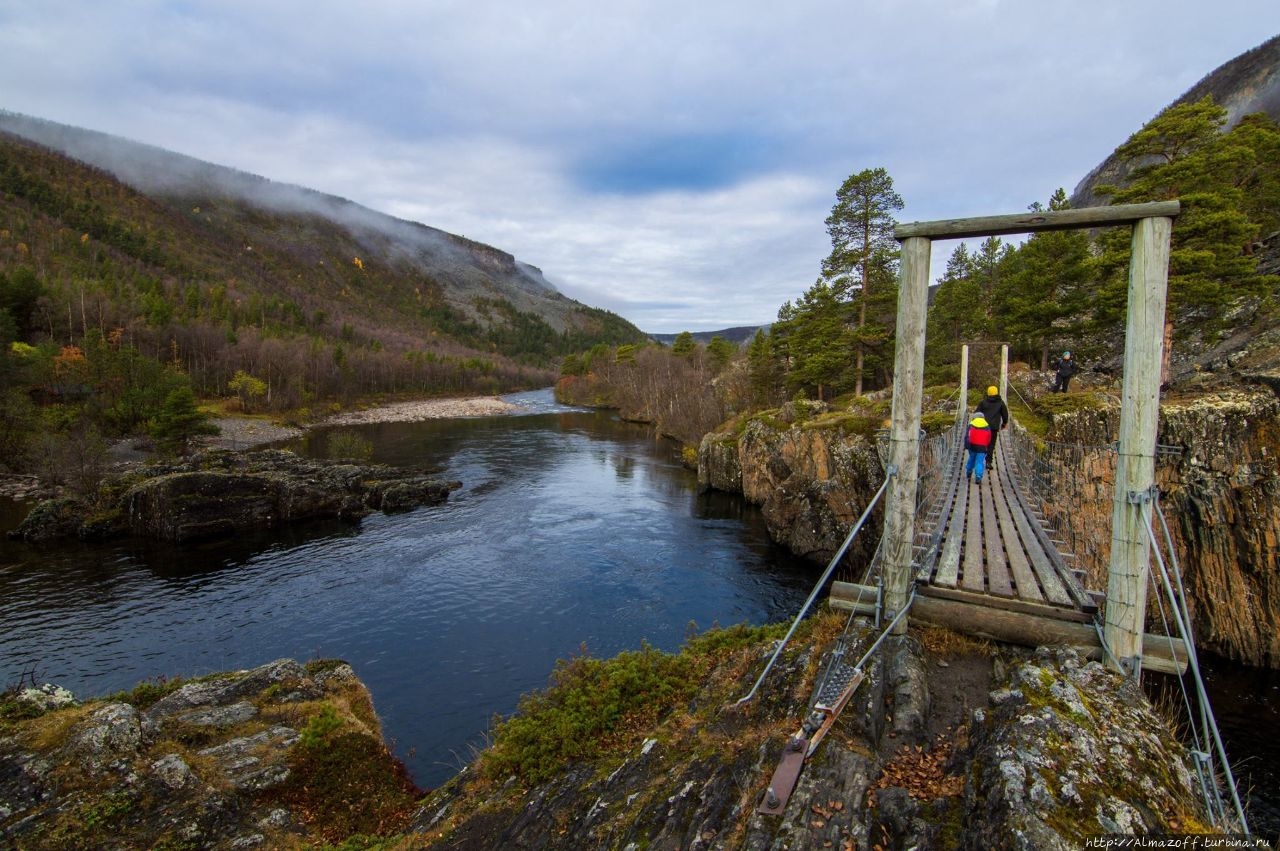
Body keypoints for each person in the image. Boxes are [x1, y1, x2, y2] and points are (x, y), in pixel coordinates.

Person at [975, 385, 1009, 466]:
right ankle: (988, 462)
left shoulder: (983, 402)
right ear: (997, 392)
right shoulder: (1000, 403)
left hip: (983, 427)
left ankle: (979, 461)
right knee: (991, 444)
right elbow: (1005, 414)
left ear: (988, 393)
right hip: (994, 428)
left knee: (982, 443)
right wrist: (1004, 424)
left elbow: (976, 413)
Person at [965, 414, 993, 485]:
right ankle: (978, 476)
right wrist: (987, 447)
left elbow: (967, 436)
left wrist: (966, 446)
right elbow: (989, 438)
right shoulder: (987, 426)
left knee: (972, 458)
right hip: (982, 446)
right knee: (980, 461)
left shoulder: (971, 425)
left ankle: (969, 471)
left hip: (972, 445)